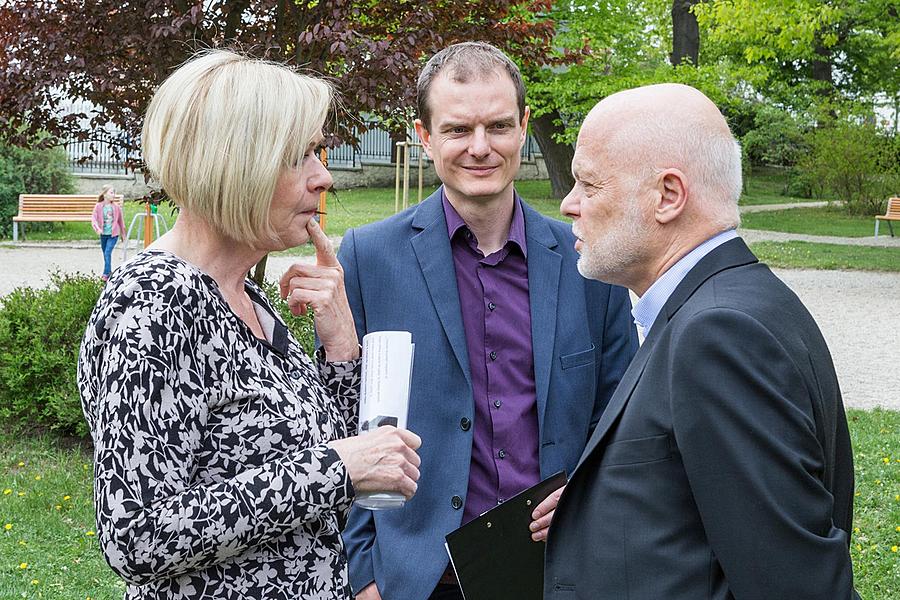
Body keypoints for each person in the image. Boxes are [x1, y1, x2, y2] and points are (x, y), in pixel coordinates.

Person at [77, 50, 422, 600]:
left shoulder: (244, 296)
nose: (323, 177)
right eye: (299, 157)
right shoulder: (151, 306)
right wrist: (338, 469)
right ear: (234, 164)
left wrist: (340, 345)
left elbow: (310, 450)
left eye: (318, 153)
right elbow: (136, 537)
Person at [339, 42, 637, 600]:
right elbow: (343, 418)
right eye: (457, 130)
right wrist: (364, 574)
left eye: (498, 126)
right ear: (425, 137)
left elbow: (622, 414)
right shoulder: (368, 257)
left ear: (523, 127)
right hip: (422, 578)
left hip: (561, 571)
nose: (481, 148)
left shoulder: (589, 261)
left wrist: (589, 492)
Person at [540, 83, 859, 599]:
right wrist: (597, 505)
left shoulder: (719, 333)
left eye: (589, 184)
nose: (569, 203)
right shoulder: (729, 302)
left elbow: (795, 583)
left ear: (668, 196)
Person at [91, 184, 125, 281]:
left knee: (107, 253)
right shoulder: (98, 206)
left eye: (114, 192)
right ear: (105, 194)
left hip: (113, 235)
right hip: (103, 235)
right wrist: (97, 229)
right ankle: (108, 271)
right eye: (111, 192)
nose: (113, 194)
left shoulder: (116, 207)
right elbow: (93, 219)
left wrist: (123, 235)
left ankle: (106, 274)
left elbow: (121, 222)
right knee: (105, 254)